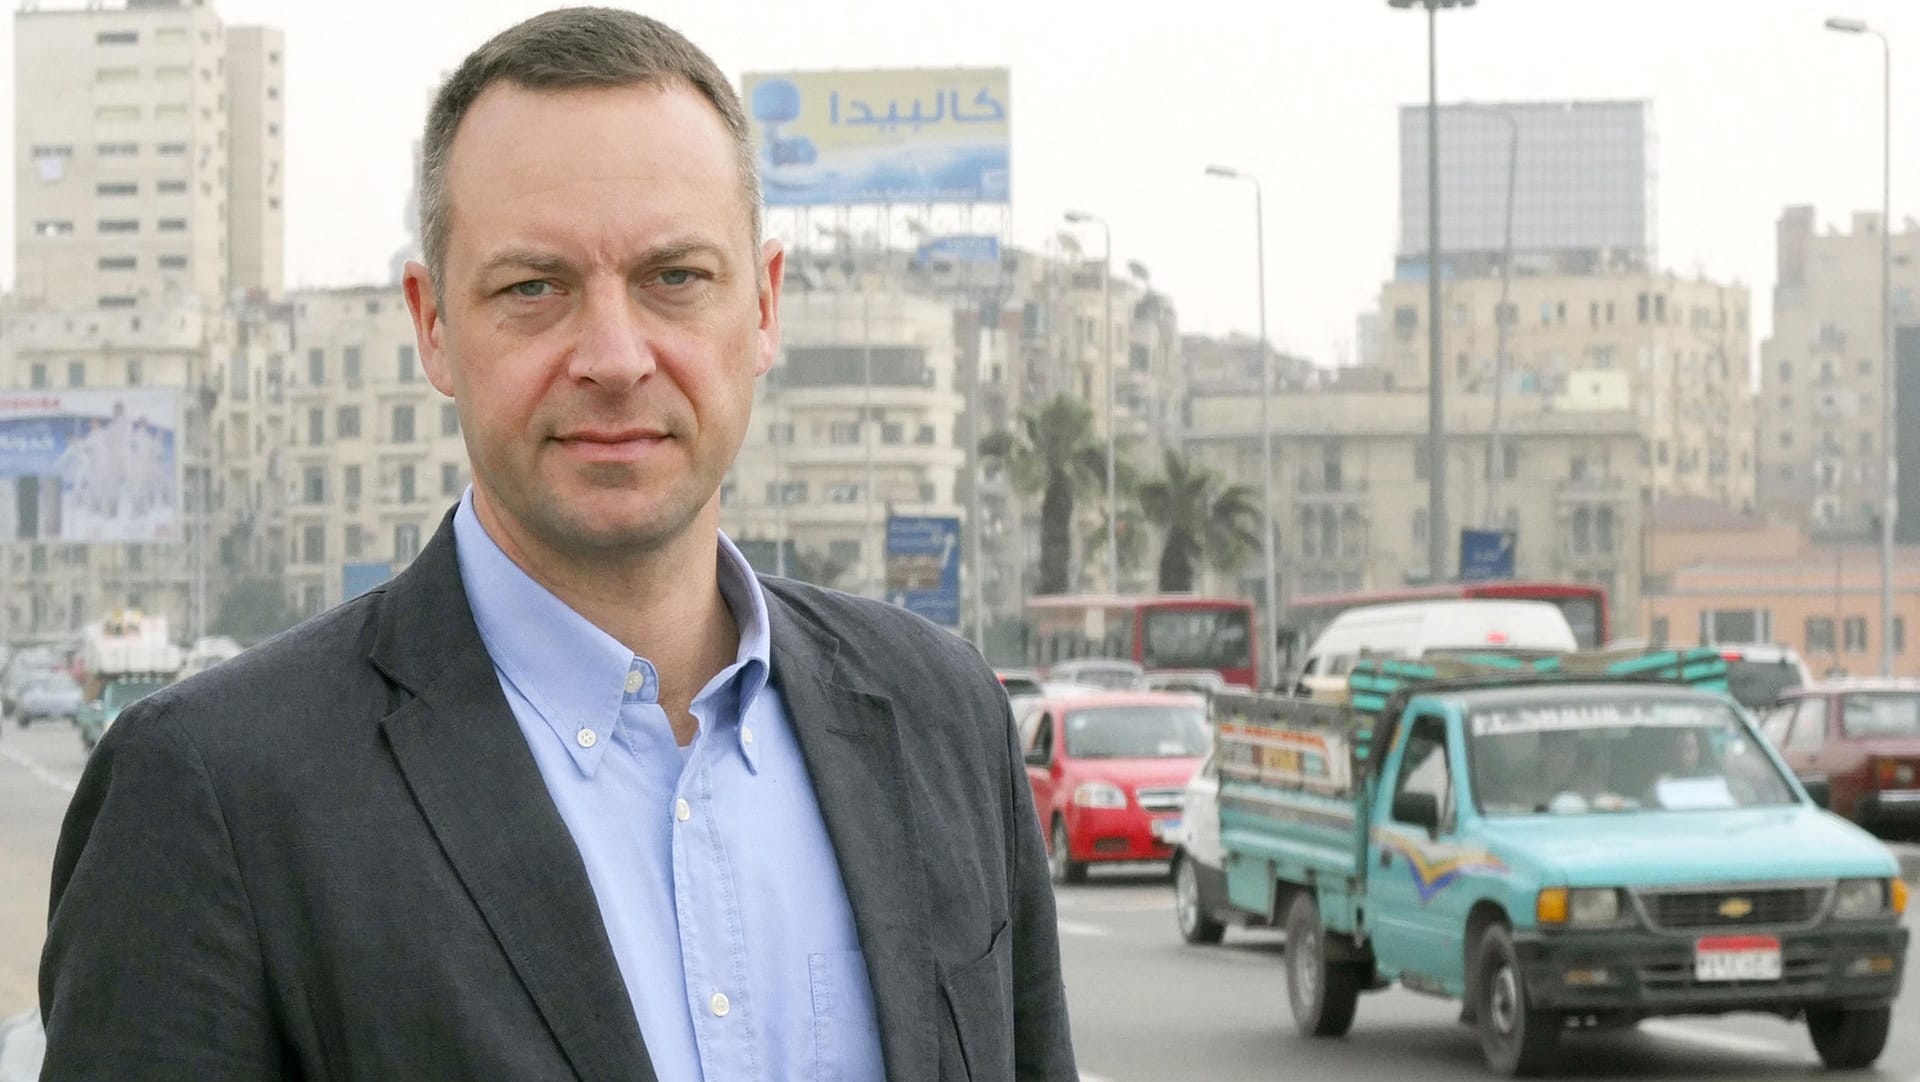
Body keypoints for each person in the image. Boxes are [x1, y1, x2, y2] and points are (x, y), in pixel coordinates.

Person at [38, 10, 1075, 1081]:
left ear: (764, 305)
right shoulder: (218, 791)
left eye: (676, 277)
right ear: (433, 323)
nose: (616, 356)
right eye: (534, 288)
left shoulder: (942, 714)